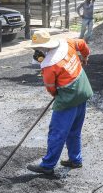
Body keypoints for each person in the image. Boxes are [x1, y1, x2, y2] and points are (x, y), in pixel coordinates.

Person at [26, 30, 93, 175]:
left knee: (57, 131)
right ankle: (76, 159)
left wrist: (58, 96)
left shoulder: (49, 65)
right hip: (83, 89)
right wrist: (85, 56)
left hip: (68, 97)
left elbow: (51, 88)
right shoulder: (67, 42)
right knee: (74, 129)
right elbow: (82, 44)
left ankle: (48, 165)